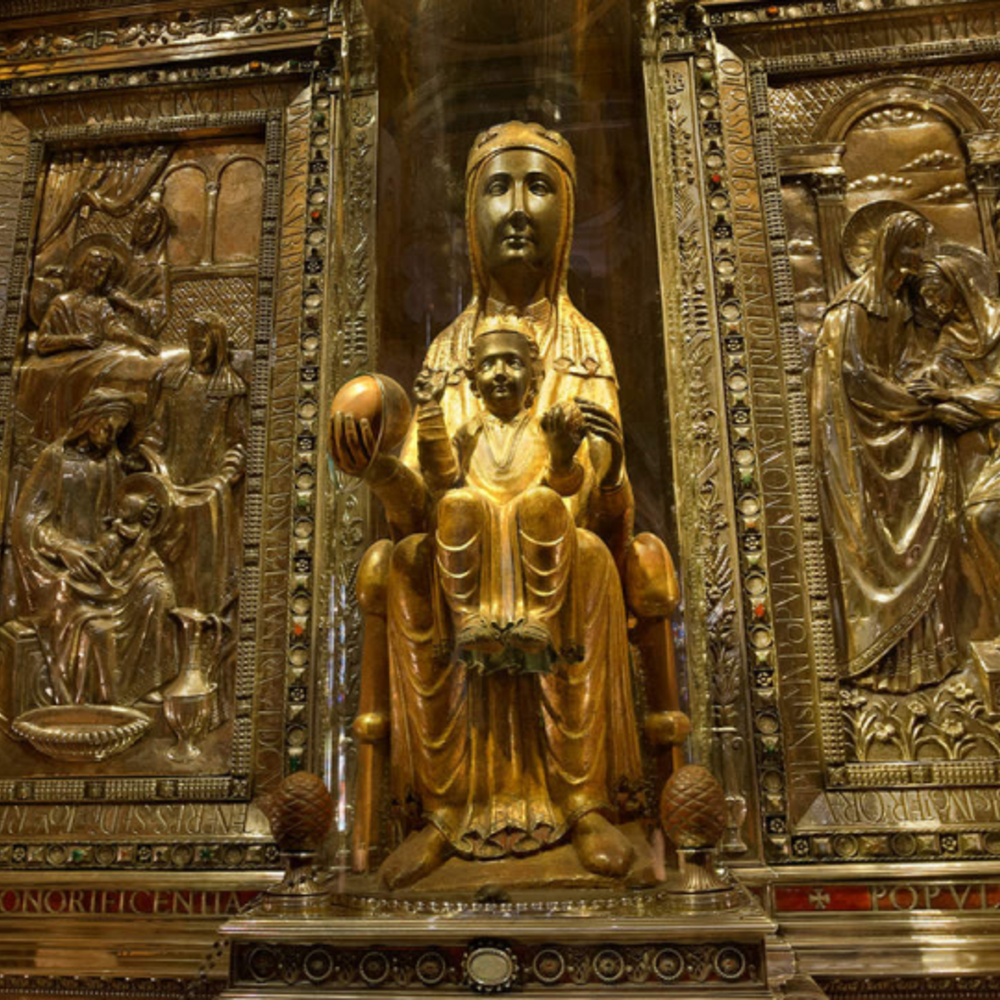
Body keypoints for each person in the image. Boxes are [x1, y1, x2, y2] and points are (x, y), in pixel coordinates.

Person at [331, 122, 678, 890]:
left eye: (539, 187)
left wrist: (568, 468)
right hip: (462, 562)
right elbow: (417, 512)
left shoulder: (585, 348)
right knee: (404, 561)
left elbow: (599, 502)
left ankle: (584, 802)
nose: (518, 208)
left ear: (569, 213)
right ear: (470, 214)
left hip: (556, 553)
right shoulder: (444, 355)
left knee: (585, 556)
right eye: (498, 188)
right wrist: (383, 471)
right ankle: (442, 810)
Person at [812, 210, 965, 694]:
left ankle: (925, 659)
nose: (920, 257)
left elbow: (904, 365)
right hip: (859, 447)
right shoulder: (851, 310)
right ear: (890, 249)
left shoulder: (900, 306)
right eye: (913, 246)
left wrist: (925, 385)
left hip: (898, 430)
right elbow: (855, 381)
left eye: (922, 246)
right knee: (873, 548)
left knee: (938, 484)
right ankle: (876, 661)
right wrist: (918, 405)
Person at [415, 315, 587, 669]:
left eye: (513, 363)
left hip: (530, 529)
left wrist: (561, 456)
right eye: (488, 365)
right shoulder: (468, 433)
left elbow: (566, 487)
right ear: (474, 383)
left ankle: (541, 617)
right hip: (479, 528)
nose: (500, 373)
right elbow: (441, 476)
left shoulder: (543, 430)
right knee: (456, 502)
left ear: (534, 378)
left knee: (543, 501)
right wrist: (430, 412)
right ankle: (467, 616)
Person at [10, 388, 177, 706]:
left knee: (157, 588)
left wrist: (137, 517)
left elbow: (118, 514)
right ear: (89, 420)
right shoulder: (55, 459)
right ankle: (106, 699)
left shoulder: (112, 461)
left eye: (118, 430)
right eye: (108, 426)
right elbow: (26, 521)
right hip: (61, 565)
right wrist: (63, 548)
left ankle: (143, 683)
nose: (112, 436)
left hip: (106, 559)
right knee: (89, 620)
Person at [35, 245, 160, 358]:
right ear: (81, 268)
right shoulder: (62, 302)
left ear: (106, 277)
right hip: (72, 358)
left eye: (101, 272)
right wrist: (76, 340)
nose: (94, 275)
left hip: (99, 354)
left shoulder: (101, 304)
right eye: (91, 267)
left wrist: (138, 340)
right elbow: (42, 342)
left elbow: (114, 329)